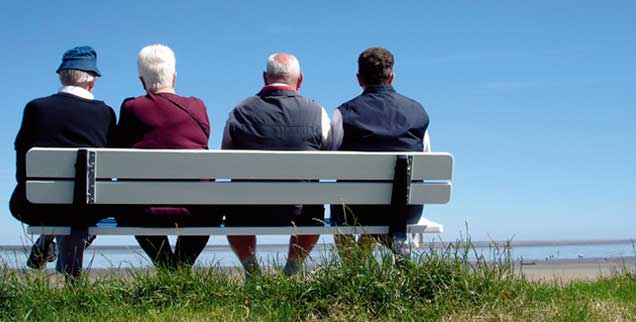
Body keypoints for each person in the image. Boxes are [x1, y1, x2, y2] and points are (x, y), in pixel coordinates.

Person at [10, 46, 117, 277]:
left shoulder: (36, 108)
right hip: (90, 208)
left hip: (37, 204)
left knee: (65, 205)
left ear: (62, 76)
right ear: (92, 82)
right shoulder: (105, 113)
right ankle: (67, 273)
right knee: (85, 202)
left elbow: (22, 163)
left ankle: (49, 240)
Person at [222, 53, 331, 276]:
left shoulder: (239, 112)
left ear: (265, 78)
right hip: (301, 212)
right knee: (314, 205)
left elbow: (226, 159)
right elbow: (329, 156)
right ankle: (290, 271)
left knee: (234, 205)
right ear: (299, 79)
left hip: (248, 211)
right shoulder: (317, 112)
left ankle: (254, 274)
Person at [115, 44, 219, 269]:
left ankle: (165, 265)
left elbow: (119, 146)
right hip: (196, 211)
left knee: (132, 201)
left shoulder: (131, 108)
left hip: (142, 212)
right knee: (210, 207)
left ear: (142, 81)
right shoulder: (197, 106)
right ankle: (180, 266)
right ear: (174, 76)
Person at [330, 47, 431, 256]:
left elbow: (331, 159)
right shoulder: (418, 112)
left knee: (344, 205)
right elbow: (426, 162)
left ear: (359, 79)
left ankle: (351, 271)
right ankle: (358, 265)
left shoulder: (344, 113)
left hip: (354, 211)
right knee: (384, 202)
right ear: (391, 77)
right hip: (405, 210)